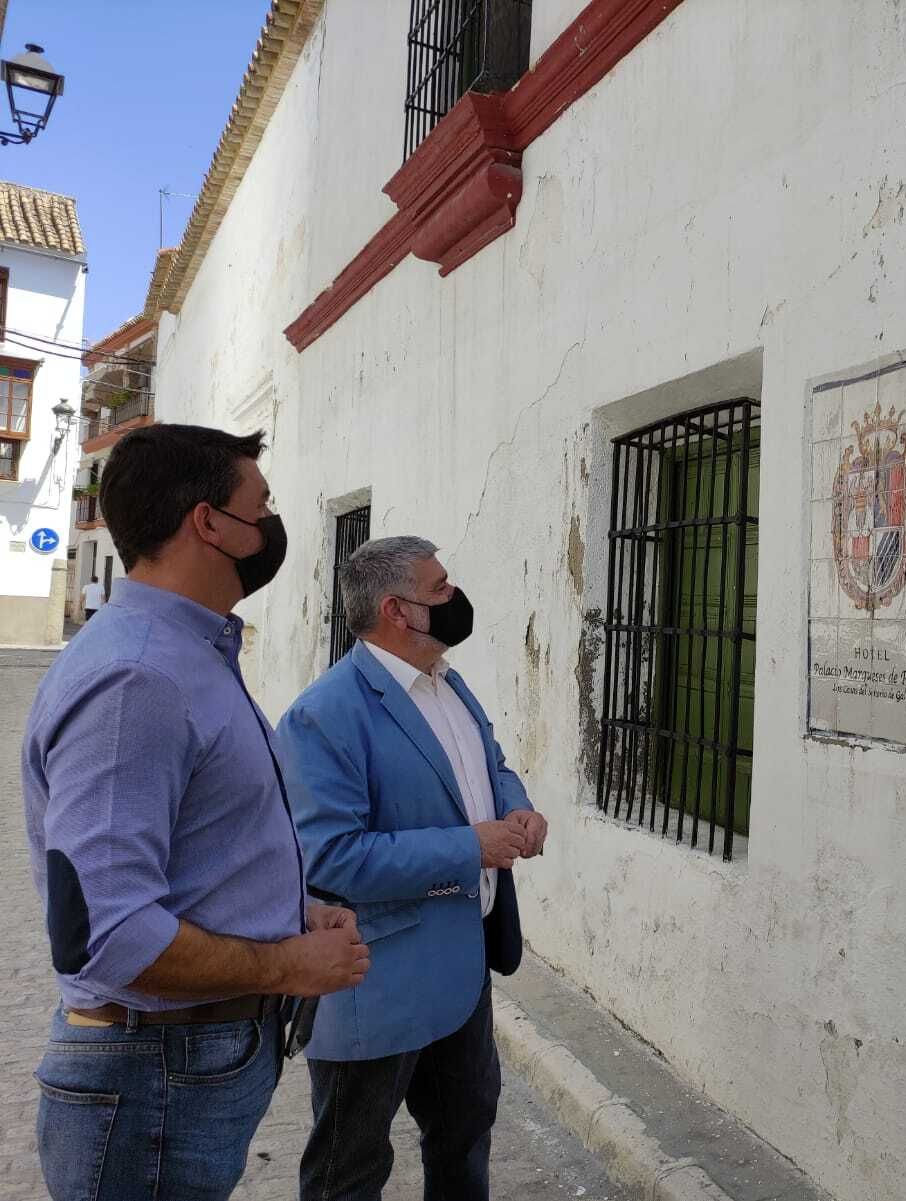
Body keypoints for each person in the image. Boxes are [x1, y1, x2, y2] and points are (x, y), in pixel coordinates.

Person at [22, 424, 371, 1201]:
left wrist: (288, 913)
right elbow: (109, 935)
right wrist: (287, 964)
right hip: (152, 1072)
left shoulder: (187, 653)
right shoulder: (139, 675)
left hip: (180, 1065)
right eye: (262, 505)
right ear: (209, 522)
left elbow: (198, 847)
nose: (271, 525)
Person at [276, 535, 547, 1201]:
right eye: (442, 588)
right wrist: (470, 846)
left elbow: (492, 765)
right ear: (399, 611)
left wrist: (517, 810)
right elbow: (333, 858)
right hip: (377, 983)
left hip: (464, 974)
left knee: (463, 1146)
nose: (456, 597)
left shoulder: (449, 683)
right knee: (349, 1170)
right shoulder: (326, 714)